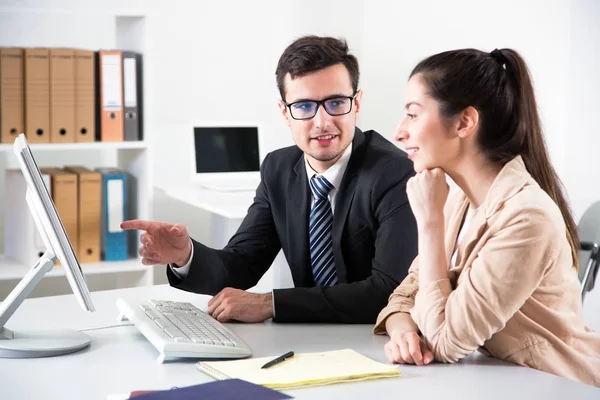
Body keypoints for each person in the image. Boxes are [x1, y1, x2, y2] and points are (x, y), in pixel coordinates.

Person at [122, 35, 418, 324]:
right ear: (284, 112)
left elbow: (388, 290)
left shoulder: (394, 173)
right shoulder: (279, 168)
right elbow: (241, 264)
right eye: (304, 106)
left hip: (379, 340)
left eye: (336, 103)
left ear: (357, 103)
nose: (322, 122)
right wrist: (186, 255)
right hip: (309, 339)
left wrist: (272, 304)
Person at [374, 47, 600, 386]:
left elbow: (445, 341)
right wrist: (405, 330)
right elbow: (404, 296)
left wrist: (430, 223)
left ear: (465, 122)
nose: (400, 132)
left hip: (559, 386)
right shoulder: (460, 200)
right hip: (498, 381)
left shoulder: (527, 218)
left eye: (413, 114)